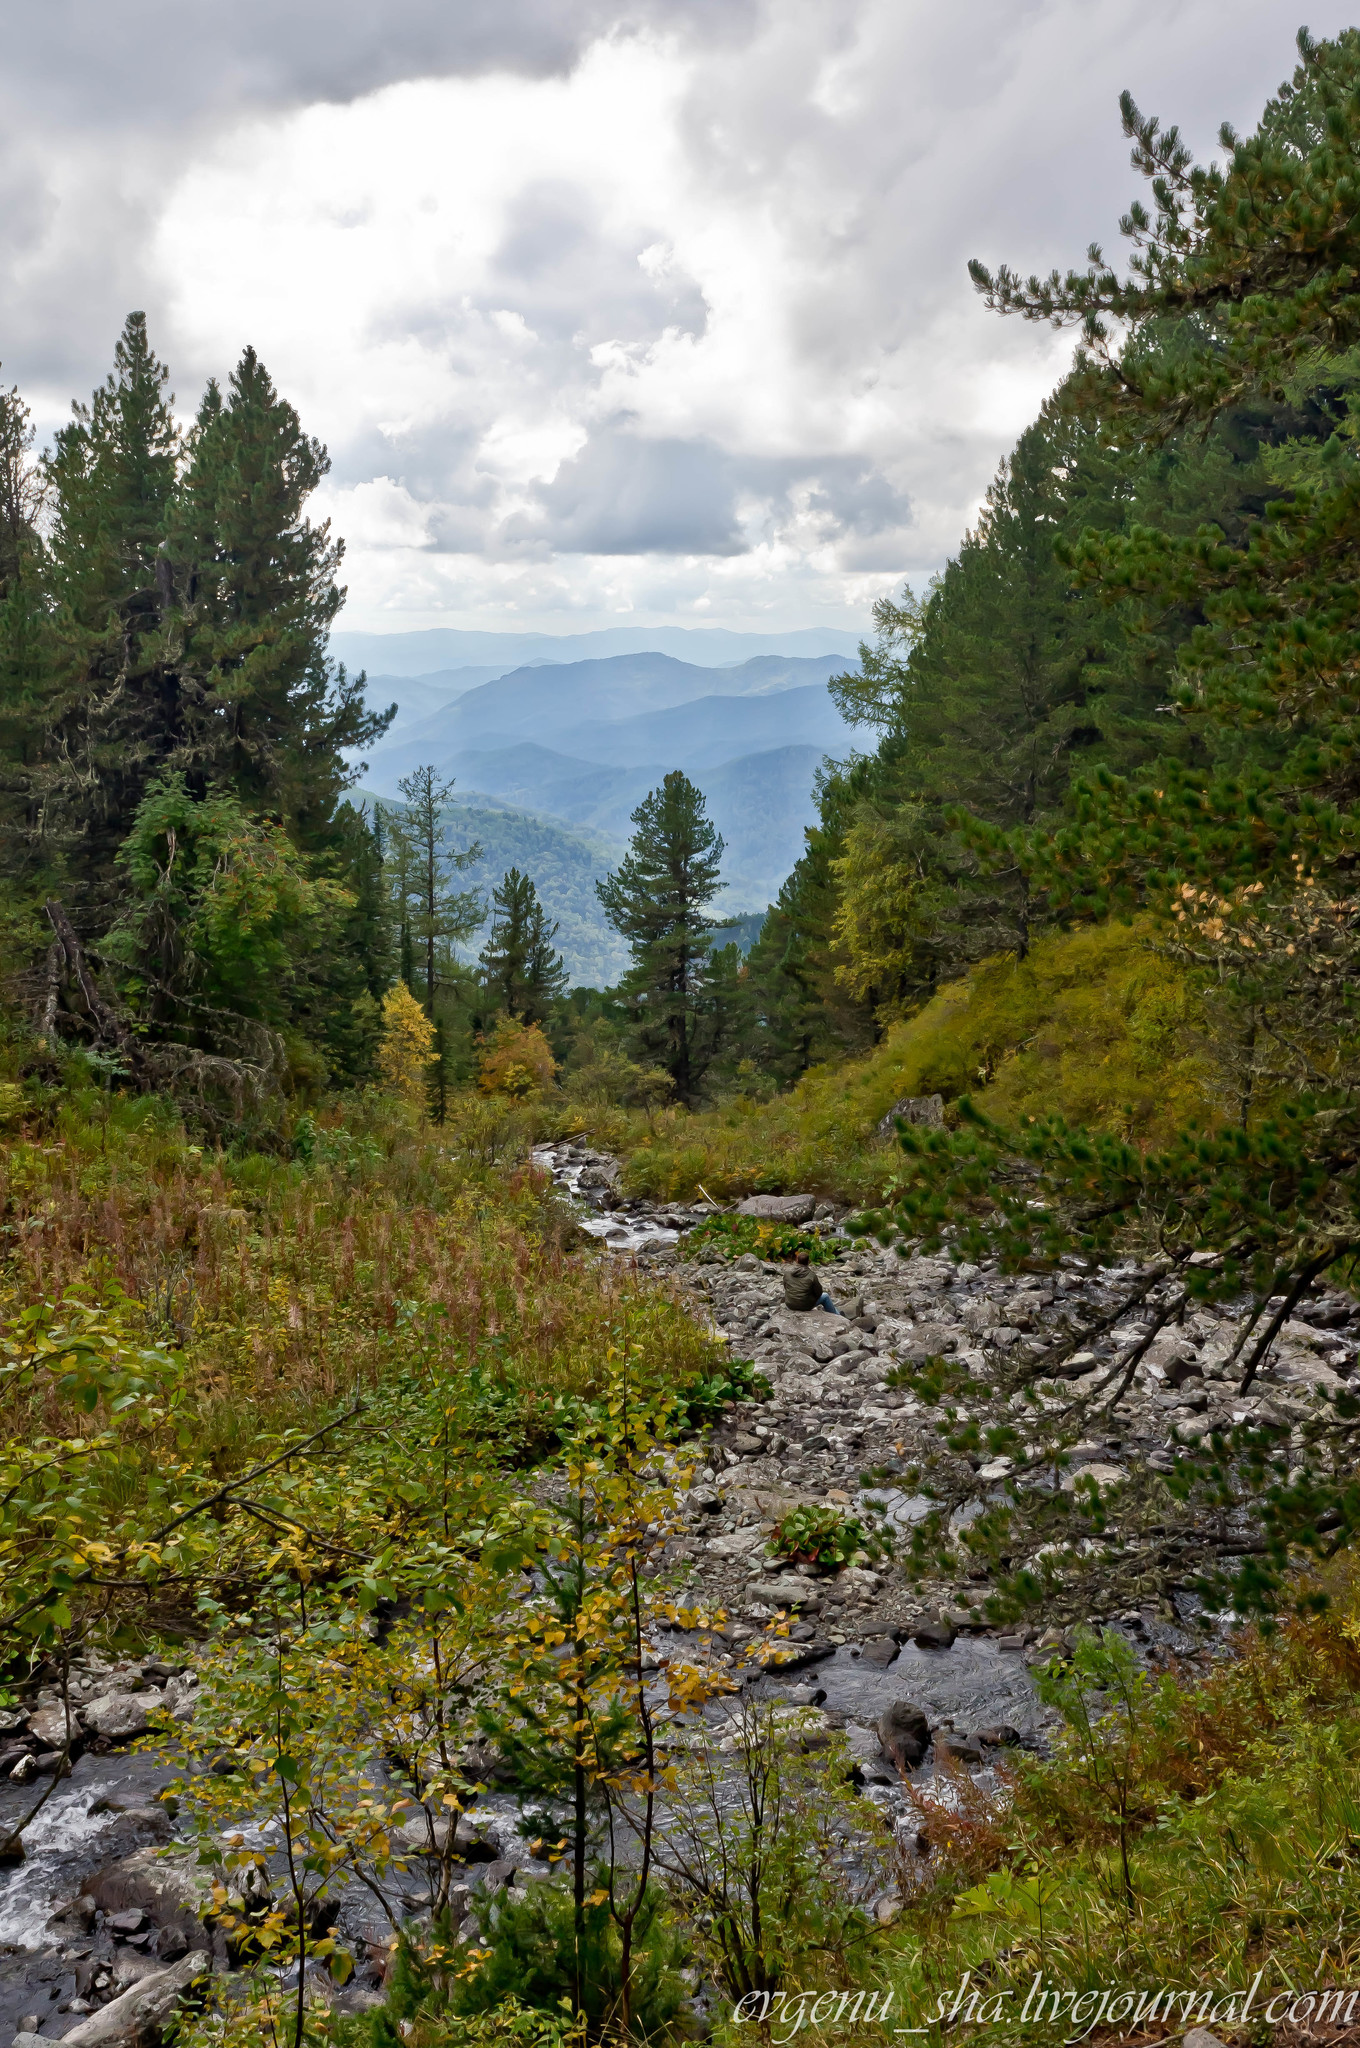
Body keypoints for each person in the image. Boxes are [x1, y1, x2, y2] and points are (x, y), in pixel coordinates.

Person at [782, 1248, 841, 1314]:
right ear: (808, 1262)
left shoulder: (787, 1273)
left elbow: (786, 1287)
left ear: (797, 1260)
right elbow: (819, 1292)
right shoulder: (811, 1275)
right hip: (805, 1306)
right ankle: (837, 1315)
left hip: (790, 1304)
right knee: (825, 1296)